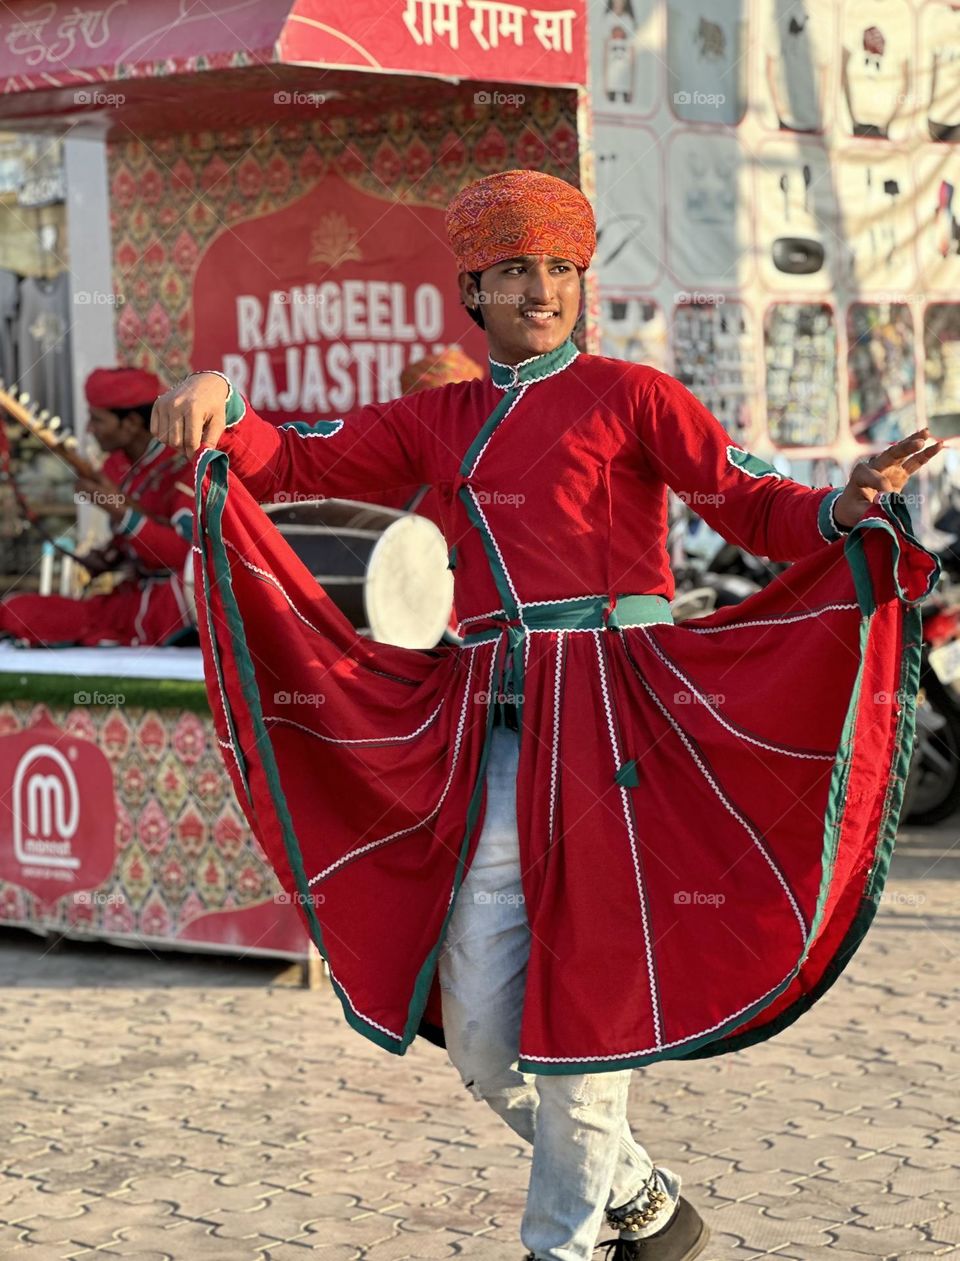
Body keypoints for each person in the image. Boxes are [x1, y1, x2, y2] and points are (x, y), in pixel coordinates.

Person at [151, 170, 943, 1261]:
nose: (543, 289)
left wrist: (838, 506)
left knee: (587, 1017)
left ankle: (560, 1244)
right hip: (490, 738)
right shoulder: (439, 417)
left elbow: (750, 501)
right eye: (516, 270)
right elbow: (297, 459)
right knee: (481, 1037)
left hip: (621, 733)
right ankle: (646, 1202)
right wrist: (222, 403)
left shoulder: (634, 396)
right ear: (472, 290)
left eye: (561, 269)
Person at [0, 367, 194, 647]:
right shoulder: (115, 466)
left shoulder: (183, 468)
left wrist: (116, 507)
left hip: (176, 603)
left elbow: (183, 556)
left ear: (129, 423)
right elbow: (132, 547)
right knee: (16, 610)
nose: (90, 429)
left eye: (97, 420)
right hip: (129, 597)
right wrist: (107, 558)